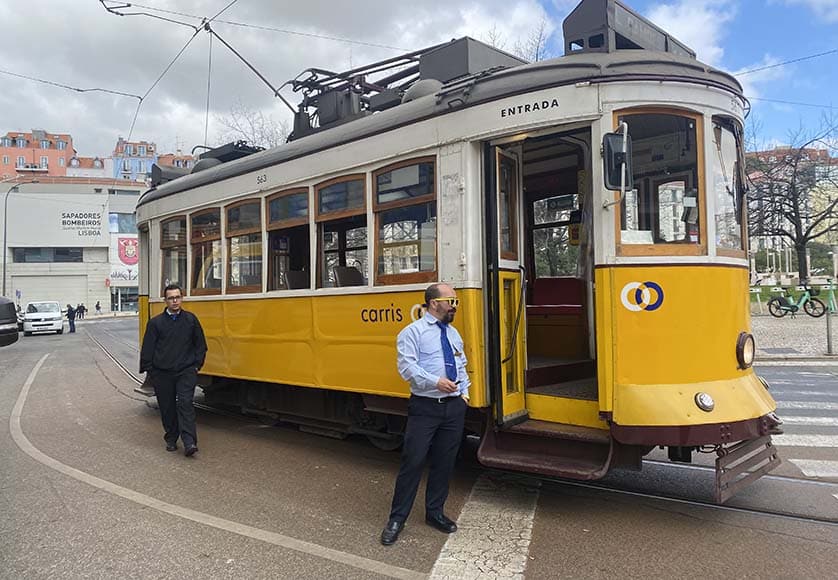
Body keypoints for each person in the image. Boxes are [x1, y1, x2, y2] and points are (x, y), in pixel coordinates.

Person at [380, 283, 470, 546]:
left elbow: (461, 365)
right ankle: (397, 519)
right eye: (451, 300)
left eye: (455, 301)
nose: (454, 306)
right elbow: (407, 368)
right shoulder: (412, 332)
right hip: (425, 408)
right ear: (433, 303)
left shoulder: (453, 334)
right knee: (413, 462)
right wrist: (435, 382)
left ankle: (435, 513)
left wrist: (465, 394)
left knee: (444, 463)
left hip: (453, 408)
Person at [139, 284, 208, 457]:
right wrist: (151, 371)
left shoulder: (191, 320)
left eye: (177, 297)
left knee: (185, 403)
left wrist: (196, 365)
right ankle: (171, 438)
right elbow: (147, 349)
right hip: (163, 373)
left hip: (186, 371)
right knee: (167, 407)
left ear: (182, 298)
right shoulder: (156, 323)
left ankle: (189, 442)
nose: (175, 301)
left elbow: (200, 345)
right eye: (171, 298)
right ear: (165, 301)